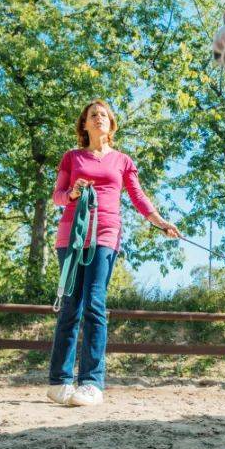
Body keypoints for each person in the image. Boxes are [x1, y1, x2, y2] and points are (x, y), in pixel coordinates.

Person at [47, 99, 180, 407]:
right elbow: (57, 196)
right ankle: (59, 382)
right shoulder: (72, 157)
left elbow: (137, 195)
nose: (98, 119)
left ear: (111, 123)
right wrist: (73, 193)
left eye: (103, 115)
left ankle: (91, 383)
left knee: (94, 303)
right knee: (70, 306)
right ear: (84, 124)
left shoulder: (121, 160)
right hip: (72, 236)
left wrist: (160, 223)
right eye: (93, 115)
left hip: (106, 234)